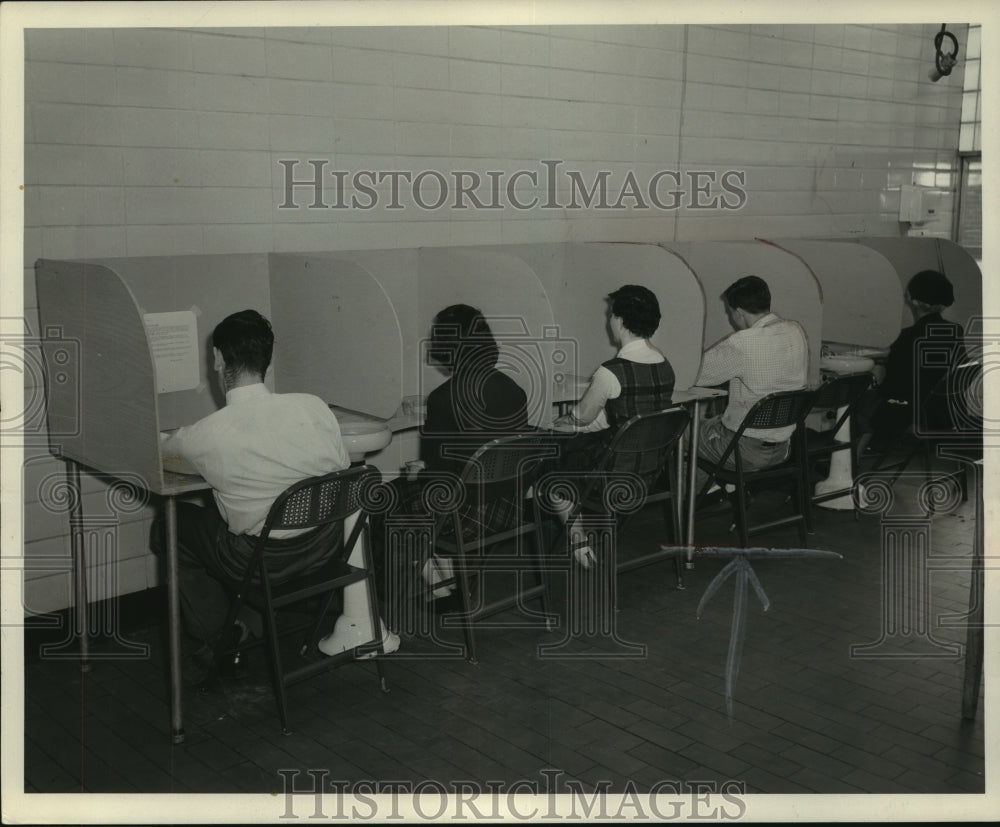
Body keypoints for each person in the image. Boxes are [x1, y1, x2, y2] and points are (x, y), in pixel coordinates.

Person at [156, 309, 351, 684]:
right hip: (325, 549)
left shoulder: (207, 434)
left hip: (263, 565)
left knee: (170, 523)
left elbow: (165, 453)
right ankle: (247, 621)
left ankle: (221, 636)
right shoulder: (313, 406)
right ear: (267, 359)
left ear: (217, 358)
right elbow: (339, 470)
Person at [378, 304, 530, 607]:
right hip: (510, 507)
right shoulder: (514, 389)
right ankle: (450, 587)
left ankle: (430, 592)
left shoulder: (442, 399)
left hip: (466, 517)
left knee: (385, 498)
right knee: (426, 500)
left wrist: (417, 472)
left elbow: (438, 481)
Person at [549, 284, 675, 565]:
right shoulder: (666, 365)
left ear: (618, 320)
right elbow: (624, 417)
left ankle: (578, 543)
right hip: (651, 473)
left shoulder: (610, 372)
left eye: (610, 315)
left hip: (615, 477)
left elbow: (580, 418)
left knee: (552, 472)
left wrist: (557, 423)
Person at [694, 275, 809, 493]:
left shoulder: (743, 342)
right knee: (717, 420)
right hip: (783, 448)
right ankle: (716, 488)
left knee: (683, 433)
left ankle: (698, 499)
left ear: (738, 312)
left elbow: (695, 374)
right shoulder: (796, 330)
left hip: (741, 452)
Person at [857, 269, 965, 451]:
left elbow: (893, 387)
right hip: (943, 413)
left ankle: (850, 465)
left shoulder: (907, 337)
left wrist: (881, 367)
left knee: (852, 403)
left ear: (913, 300)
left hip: (909, 416)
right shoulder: (955, 330)